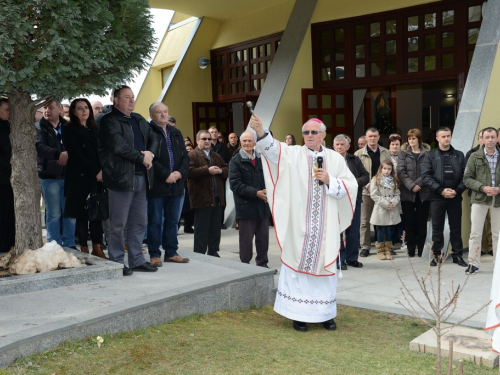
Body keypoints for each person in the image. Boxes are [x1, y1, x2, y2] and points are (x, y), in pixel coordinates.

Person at [250, 115, 357, 332]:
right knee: (297, 265)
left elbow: (351, 186)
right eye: (306, 132)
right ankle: (297, 314)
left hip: (325, 226)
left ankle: (325, 314)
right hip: (300, 223)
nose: (309, 135)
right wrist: (261, 131)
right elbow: (272, 150)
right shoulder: (293, 153)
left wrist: (331, 181)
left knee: (324, 268)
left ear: (323, 135)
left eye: (314, 132)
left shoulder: (335, 159)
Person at [99, 85, 159, 276]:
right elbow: (119, 146)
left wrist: (150, 153)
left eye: (133, 97)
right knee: (118, 224)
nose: (132, 100)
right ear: (115, 99)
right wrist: (142, 158)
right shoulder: (108, 120)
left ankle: (136, 260)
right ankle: (116, 261)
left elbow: (154, 138)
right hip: (121, 178)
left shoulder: (139, 119)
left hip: (142, 178)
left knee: (139, 222)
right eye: (127, 97)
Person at [61, 98, 107, 258]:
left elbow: (101, 151)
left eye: (86, 107)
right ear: (74, 111)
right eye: (80, 108)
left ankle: (97, 248)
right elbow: (76, 155)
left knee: (97, 214)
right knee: (82, 215)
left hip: (97, 177)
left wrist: (102, 170)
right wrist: (96, 171)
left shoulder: (95, 128)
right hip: (79, 177)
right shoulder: (68, 129)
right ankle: (84, 249)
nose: (84, 111)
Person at [147, 102, 190, 267]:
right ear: (152, 115)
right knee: (155, 220)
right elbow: (150, 158)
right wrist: (166, 175)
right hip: (158, 184)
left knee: (173, 221)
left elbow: (185, 157)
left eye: (165, 111)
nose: (163, 115)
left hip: (177, 183)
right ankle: (154, 254)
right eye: (159, 112)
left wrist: (179, 173)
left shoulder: (176, 132)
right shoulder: (148, 132)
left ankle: (171, 252)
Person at [422, 127, 467, 267]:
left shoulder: (459, 155)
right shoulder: (430, 155)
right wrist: (441, 190)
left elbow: (466, 176)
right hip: (438, 197)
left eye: (448, 136)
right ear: (437, 138)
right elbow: (426, 176)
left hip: (455, 196)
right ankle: (436, 255)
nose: (446, 138)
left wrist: (457, 190)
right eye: (443, 136)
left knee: (456, 227)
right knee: (437, 227)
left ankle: (457, 255)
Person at [36, 99, 76, 248]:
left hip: (69, 176)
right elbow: (39, 147)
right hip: (49, 176)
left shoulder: (69, 127)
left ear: (60, 110)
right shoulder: (39, 127)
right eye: (45, 108)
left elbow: (78, 146)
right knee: (53, 214)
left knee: (70, 213)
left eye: (50, 108)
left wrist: (69, 156)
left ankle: (70, 243)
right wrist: (58, 155)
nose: (47, 110)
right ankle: (54, 244)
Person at [229, 131, 270, 267]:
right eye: (244, 141)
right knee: (246, 241)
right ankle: (245, 266)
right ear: (240, 142)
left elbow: (269, 177)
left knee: (263, 238)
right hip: (246, 207)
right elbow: (235, 185)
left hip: (262, 206)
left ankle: (263, 265)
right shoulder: (235, 161)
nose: (247, 143)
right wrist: (255, 193)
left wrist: (266, 191)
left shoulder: (262, 159)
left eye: (249, 141)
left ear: (255, 142)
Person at [463, 127, 500, 275]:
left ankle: (498, 264)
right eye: (487, 137)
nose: (490, 140)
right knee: (475, 234)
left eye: (493, 137)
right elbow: (467, 179)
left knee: (498, 234)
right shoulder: (474, 156)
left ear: (497, 138)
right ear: (482, 139)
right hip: (479, 199)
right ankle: (473, 264)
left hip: (498, 200)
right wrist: (483, 188)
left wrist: (499, 188)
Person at [188, 130, 228, 257]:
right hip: (202, 198)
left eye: (209, 139)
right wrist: (207, 170)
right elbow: (189, 172)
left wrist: (221, 171)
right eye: (204, 139)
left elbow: (227, 168)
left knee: (215, 228)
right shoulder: (192, 155)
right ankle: (199, 254)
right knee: (201, 229)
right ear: (197, 140)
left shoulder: (216, 156)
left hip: (217, 198)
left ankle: (213, 252)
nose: (207, 141)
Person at [354, 128, 391, 257]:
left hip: (383, 192)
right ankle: (365, 247)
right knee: (365, 221)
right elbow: (356, 174)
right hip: (367, 191)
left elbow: (391, 171)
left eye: (375, 136)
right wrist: (368, 185)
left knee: (383, 220)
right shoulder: (358, 154)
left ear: (379, 137)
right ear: (366, 137)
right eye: (370, 136)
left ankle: (384, 246)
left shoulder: (386, 152)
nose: (372, 138)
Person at [333, 134, 368, 270]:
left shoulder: (355, 160)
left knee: (353, 230)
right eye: (337, 144)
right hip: (336, 200)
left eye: (342, 144)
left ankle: (352, 258)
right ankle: (339, 259)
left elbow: (365, 176)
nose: (339, 147)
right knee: (339, 230)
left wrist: (354, 183)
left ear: (348, 146)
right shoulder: (328, 160)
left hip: (353, 200)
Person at [397, 129, 430, 257]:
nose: (411, 140)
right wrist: (412, 186)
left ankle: (421, 249)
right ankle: (411, 249)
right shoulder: (403, 153)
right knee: (409, 222)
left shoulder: (427, 153)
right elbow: (400, 172)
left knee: (422, 222)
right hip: (407, 193)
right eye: (409, 138)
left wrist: (418, 184)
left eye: (414, 138)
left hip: (423, 193)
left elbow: (429, 171)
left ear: (419, 139)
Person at [370, 160, 401, 260]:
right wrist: (385, 203)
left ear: (392, 170)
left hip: (391, 208)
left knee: (389, 230)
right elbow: (374, 194)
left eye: (389, 169)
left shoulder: (394, 180)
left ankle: (388, 250)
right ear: (381, 169)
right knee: (381, 230)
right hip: (381, 208)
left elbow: (397, 194)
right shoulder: (376, 179)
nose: (386, 171)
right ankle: (380, 251)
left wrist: (393, 202)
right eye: (385, 168)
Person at [0, 98, 15, 253]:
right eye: (6, 109)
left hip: (10, 178)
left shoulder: (9, 126)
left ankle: (10, 244)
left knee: (11, 214)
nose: (9, 113)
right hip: (2, 178)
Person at [180, 143, 195, 234]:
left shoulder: (193, 159)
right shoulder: (182, 158)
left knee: (190, 207)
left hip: (192, 185)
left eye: (190, 149)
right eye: (187, 149)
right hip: (183, 184)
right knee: (181, 207)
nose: (189, 151)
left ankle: (188, 226)